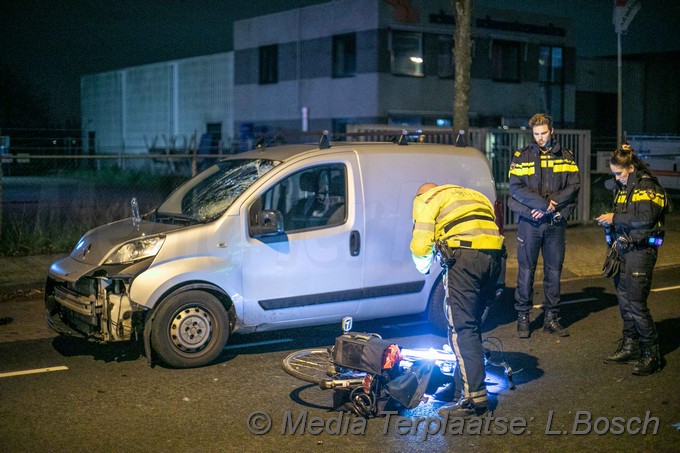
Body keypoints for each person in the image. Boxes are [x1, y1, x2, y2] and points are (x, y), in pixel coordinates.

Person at [410, 183, 504, 418]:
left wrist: (423, 266)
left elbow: (421, 245)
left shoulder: (426, 199)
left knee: (461, 329)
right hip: (494, 259)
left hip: (464, 259)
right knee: (470, 326)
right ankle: (461, 387)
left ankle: (474, 399)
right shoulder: (473, 194)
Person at [595, 143, 667, 375]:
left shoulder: (648, 187)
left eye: (620, 173)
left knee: (636, 303)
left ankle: (651, 354)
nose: (616, 178)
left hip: (641, 251)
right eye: (614, 173)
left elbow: (645, 218)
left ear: (632, 168)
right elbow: (609, 183)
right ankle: (630, 345)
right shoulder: (625, 185)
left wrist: (614, 217)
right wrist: (621, 159)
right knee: (625, 302)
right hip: (623, 250)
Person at [508, 113, 580, 338]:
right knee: (526, 271)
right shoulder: (522, 156)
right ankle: (523, 318)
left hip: (554, 223)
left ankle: (551, 317)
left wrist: (554, 207)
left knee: (554, 271)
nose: (540, 138)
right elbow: (515, 188)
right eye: (536, 134)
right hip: (530, 223)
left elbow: (574, 187)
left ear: (552, 131)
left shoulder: (566, 157)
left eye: (543, 133)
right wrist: (541, 205)